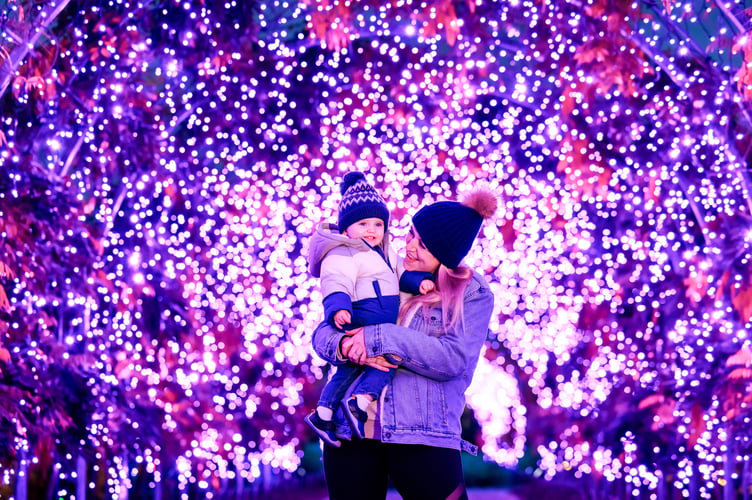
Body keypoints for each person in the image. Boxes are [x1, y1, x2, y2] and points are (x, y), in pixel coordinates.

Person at [310, 187, 498, 500]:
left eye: (423, 245)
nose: (409, 246)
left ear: (445, 257)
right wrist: (344, 346)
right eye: (411, 234)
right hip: (350, 430)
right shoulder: (379, 267)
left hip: (422, 435)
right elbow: (323, 333)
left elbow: (453, 359)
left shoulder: (471, 293)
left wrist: (377, 338)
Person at [305, 171, 434, 448]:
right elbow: (336, 280)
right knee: (386, 360)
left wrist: (419, 282)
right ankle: (359, 402)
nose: (372, 230)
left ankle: (325, 413)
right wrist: (338, 308)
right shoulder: (343, 252)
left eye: (377, 223)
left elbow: (400, 272)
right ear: (345, 229)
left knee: (351, 369)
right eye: (363, 223)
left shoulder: (384, 253)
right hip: (360, 316)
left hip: (378, 324)